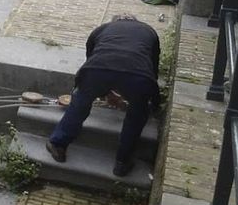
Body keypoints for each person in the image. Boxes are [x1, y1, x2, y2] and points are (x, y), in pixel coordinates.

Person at [45, 15, 160, 177]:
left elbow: (93, 63)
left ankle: (58, 143)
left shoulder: (101, 30)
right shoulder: (149, 31)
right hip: (139, 75)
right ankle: (122, 161)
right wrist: (148, 102)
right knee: (137, 114)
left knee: (81, 102)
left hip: (97, 70)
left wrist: (104, 91)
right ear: (134, 21)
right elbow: (152, 70)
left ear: (114, 22)